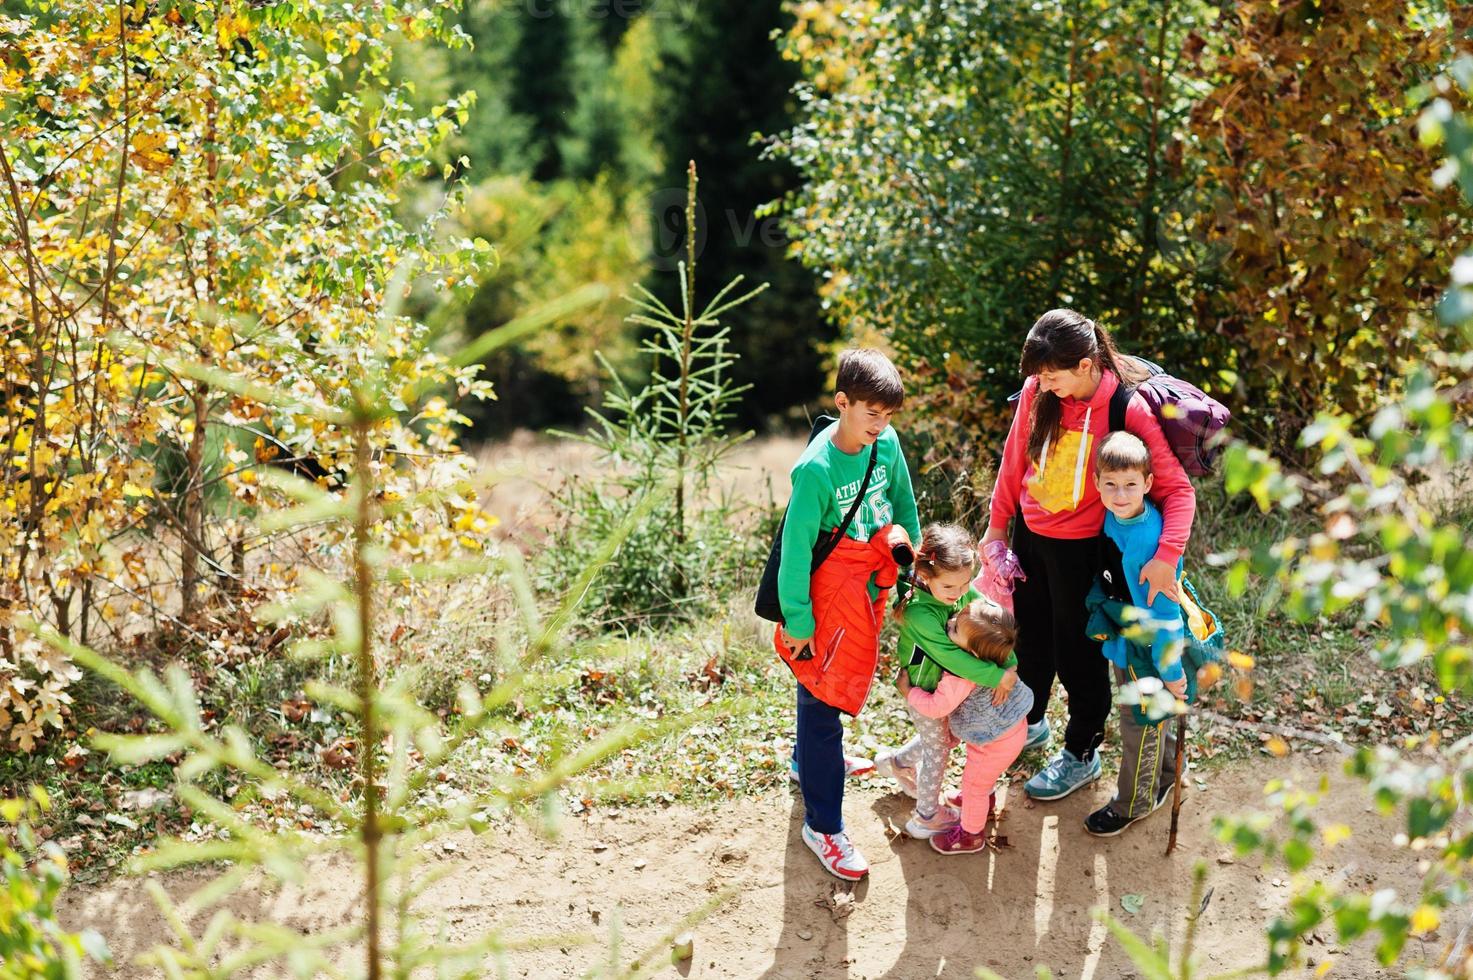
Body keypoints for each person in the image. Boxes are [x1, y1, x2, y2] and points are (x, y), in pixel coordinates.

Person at [983, 309, 1196, 802]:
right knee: (1029, 639)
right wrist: (997, 528)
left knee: (1080, 653)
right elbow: (1015, 457)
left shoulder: (1127, 408)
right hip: (1030, 540)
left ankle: (1082, 751)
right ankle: (1029, 723)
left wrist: (1167, 555)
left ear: (1085, 364)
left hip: (1084, 550)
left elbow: (1178, 490)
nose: (1043, 382)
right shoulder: (1040, 393)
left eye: (1052, 374)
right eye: (1039, 375)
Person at [774, 348, 921, 881]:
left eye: (888, 416)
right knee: (821, 697)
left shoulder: (886, 444)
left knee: (823, 696)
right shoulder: (815, 470)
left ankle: (805, 765)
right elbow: (794, 552)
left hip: (868, 586)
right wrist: (799, 622)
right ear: (842, 403)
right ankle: (824, 825)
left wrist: (912, 567)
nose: (880, 426)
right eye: (870, 414)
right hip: (824, 597)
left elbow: (903, 505)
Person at [873, 524, 1013, 839]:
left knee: (943, 739)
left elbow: (987, 613)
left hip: (944, 690)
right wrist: (997, 675)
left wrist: (1010, 662)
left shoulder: (954, 588)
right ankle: (927, 816)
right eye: (951, 587)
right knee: (939, 748)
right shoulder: (920, 613)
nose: (960, 594)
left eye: (966, 584)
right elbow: (951, 656)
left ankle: (897, 763)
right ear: (926, 575)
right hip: (924, 691)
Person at [1084, 431, 1186, 836]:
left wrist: (1173, 672)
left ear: (1148, 483)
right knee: (1152, 716)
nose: (1120, 494)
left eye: (1130, 485)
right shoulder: (1115, 515)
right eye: (1110, 484)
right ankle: (1167, 776)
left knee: (1139, 720)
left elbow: (1166, 616)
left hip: (1151, 649)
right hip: (1129, 639)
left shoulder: (1146, 541)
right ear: (1097, 485)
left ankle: (1133, 804)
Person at [897, 596, 1032, 855]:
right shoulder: (995, 655)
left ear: (972, 652)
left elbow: (937, 707)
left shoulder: (960, 676)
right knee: (983, 781)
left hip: (993, 743)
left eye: (955, 629)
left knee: (973, 786)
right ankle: (985, 802)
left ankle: (971, 835)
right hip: (1013, 729)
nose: (948, 624)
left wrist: (909, 693)